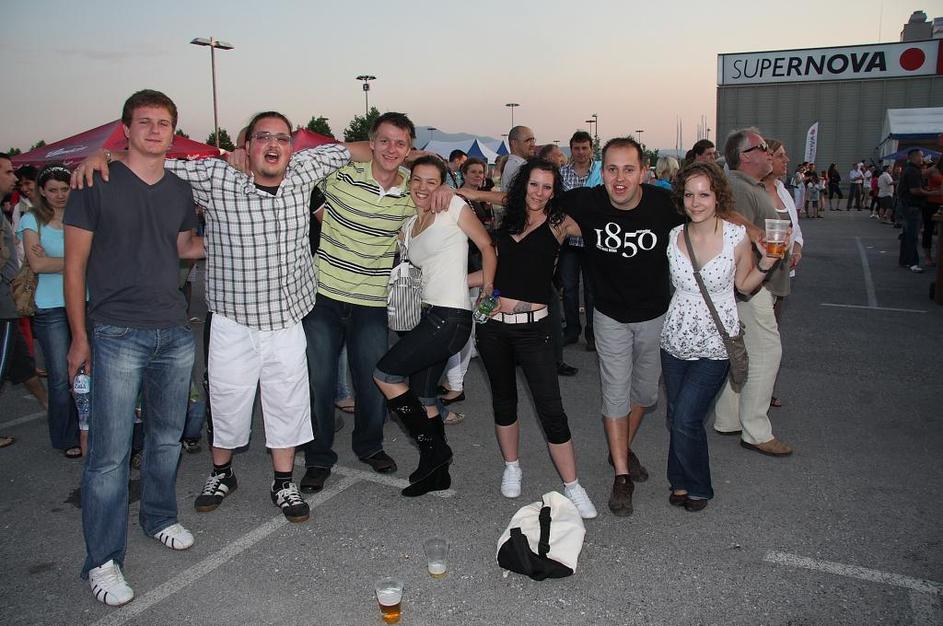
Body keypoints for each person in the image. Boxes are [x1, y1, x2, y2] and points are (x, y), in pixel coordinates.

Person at [72, 110, 369, 524]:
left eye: (282, 138)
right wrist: (105, 155)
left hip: (287, 319)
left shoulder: (306, 168)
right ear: (246, 146)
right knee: (227, 400)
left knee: (287, 402)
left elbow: (363, 149)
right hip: (233, 319)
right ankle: (221, 473)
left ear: (291, 146)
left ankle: (284, 482)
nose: (273, 145)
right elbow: (154, 159)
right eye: (262, 137)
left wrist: (404, 157)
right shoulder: (216, 176)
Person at [64, 90, 204, 607]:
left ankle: (159, 517)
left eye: (163, 123)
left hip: (173, 329)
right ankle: (102, 560)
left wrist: (245, 236)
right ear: (125, 129)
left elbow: (184, 247)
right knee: (109, 455)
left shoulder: (180, 189)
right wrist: (79, 336)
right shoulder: (95, 181)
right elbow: (74, 266)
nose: (154, 130)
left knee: (167, 438)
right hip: (116, 332)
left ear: (173, 131)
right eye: (144, 122)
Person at [300, 112, 452, 494]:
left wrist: (445, 191)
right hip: (324, 296)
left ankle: (369, 446)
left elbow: (437, 205)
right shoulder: (340, 174)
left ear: (409, 149)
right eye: (384, 140)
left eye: (400, 143)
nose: (391, 149)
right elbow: (306, 157)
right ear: (371, 143)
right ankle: (318, 457)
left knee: (374, 382)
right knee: (319, 382)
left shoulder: (411, 191)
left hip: (371, 301)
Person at [474, 157, 597, 519]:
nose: (539, 193)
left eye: (547, 187)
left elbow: (602, 226)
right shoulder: (507, 219)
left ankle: (573, 486)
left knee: (551, 410)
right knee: (503, 401)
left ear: (555, 191)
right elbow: (493, 268)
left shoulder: (559, 222)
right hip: (493, 327)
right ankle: (512, 466)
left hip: (534, 329)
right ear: (522, 184)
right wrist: (447, 282)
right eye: (533, 185)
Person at [374, 156, 496, 497]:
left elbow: (487, 246)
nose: (423, 187)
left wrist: (487, 287)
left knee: (385, 375)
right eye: (417, 179)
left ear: (442, 184)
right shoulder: (411, 224)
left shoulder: (452, 206)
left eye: (432, 181)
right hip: (427, 316)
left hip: (449, 317)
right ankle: (437, 473)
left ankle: (436, 450)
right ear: (408, 181)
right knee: (425, 396)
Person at [662, 162, 781, 512]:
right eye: (689, 195)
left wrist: (767, 263)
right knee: (676, 414)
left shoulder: (735, 237)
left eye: (704, 194)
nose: (696, 202)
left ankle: (699, 486)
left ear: (718, 197)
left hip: (716, 343)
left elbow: (743, 285)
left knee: (687, 417)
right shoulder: (674, 235)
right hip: (674, 339)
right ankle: (678, 480)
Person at [711, 128, 793, 457]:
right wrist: (758, 233)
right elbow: (727, 223)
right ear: (745, 156)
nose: (769, 152)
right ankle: (756, 430)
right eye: (762, 148)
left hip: (755, 284)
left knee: (742, 352)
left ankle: (729, 418)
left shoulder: (750, 186)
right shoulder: (738, 186)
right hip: (751, 286)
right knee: (766, 353)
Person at [16, 164, 85, 458]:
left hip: (86, 302)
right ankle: (66, 436)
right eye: (53, 190)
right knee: (59, 376)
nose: (59, 195)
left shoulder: (81, 217)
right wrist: (78, 261)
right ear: (42, 192)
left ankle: (89, 429)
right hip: (50, 307)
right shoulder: (31, 219)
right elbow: (38, 265)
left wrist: (58, 262)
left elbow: (99, 256)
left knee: (87, 373)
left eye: (64, 189)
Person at [439, 157, 494, 410]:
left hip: (479, 266)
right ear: (463, 174)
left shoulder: (481, 198)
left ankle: (455, 383)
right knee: (462, 325)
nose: (478, 176)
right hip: (466, 265)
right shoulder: (458, 198)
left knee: (467, 324)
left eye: (481, 172)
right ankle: (455, 382)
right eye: (473, 172)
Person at [558, 131, 600, 351]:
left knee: (592, 290)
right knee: (569, 288)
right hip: (569, 241)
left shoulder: (601, 171)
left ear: (591, 149)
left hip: (592, 240)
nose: (581, 152)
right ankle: (572, 330)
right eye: (577, 148)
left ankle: (592, 333)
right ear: (571, 149)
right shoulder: (562, 173)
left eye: (585, 148)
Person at [898, 149, 930, 273]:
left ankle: (905, 260)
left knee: (907, 235)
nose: (922, 159)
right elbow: (915, 190)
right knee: (912, 236)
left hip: (908, 206)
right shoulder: (912, 171)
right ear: (914, 157)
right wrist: (931, 192)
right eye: (921, 156)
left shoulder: (910, 169)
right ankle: (913, 263)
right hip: (912, 206)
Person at [502, 126, 536, 191]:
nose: (533, 144)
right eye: (528, 140)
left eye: (533, 140)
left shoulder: (519, 165)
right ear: (514, 143)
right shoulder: (516, 167)